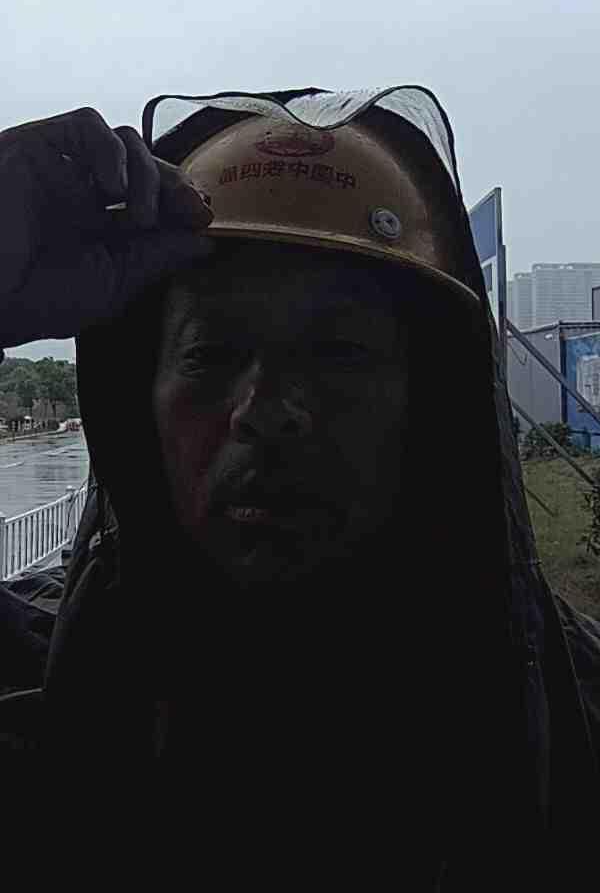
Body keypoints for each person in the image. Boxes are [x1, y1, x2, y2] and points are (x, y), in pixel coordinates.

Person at [0, 89, 598, 884]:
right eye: (211, 354)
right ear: (136, 406)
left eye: (339, 353)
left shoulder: (566, 717)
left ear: (433, 405)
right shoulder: (38, 680)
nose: (266, 411)